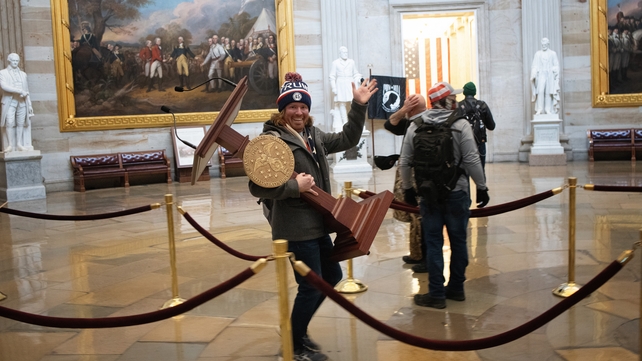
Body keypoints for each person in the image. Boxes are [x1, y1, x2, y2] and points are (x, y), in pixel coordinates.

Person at [248, 72, 377, 361]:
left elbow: (348, 137)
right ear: (282, 110)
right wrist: (295, 186)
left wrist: (358, 106)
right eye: (292, 107)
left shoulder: (313, 135)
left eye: (303, 106)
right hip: (294, 227)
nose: (299, 112)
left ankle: (297, 328)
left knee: (331, 275)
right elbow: (257, 186)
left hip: (318, 222)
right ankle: (295, 345)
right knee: (312, 284)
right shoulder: (271, 140)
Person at [399, 81, 489, 309]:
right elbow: (471, 159)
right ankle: (457, 288)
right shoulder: (460, 125)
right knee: (459, 241)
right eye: (453, 98)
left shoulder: (415, 125)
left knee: (433, 242)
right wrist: (482, 186)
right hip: (457, 192)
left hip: (429, 195)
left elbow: (405, 162)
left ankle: (436, 293)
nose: (456, 101)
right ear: (447, 101)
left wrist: (408, 189)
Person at [385, 94, 426, 270]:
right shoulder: (410, 122)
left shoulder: (424, 122)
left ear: (412, 108)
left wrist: (405, 109)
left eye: (407, 104)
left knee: (420, 217)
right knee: (414, 216)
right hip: (410, 174)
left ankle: (425, 258)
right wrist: (404, 110)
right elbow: (390, 123)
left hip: (420, 176)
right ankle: (417, 254)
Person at [457, 82, 496, 173]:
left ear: (464, 92)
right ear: (474, 92)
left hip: (464, 144)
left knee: (463, 174)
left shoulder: (459, 106)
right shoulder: (482, 105)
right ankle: (481, 187)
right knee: (480, 173)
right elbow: (491, 126)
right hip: (480, 143)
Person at [0, 53, 34, 152]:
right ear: (9, 61)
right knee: (9, 122)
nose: (15, 63)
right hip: (9, 102)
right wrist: (19, 91)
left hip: (22, 102)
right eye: (13, 61)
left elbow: (26, 90)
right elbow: (4, 86)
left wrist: (30, 104)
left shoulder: (23, 74)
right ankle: (10, 145)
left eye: (17, 61)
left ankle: (19, 143)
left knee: (21, 123)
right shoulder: (3, 73)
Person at [329, 46, 362, 131]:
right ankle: (345, 123)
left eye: (346, 52)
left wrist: (359, 78)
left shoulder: (351, 62)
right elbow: (332, 76)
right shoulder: (335, 63)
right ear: (340, 53)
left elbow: (356, 73)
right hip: (340, 84)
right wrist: (334, 88)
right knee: (342, 104)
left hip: (349, 83)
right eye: (343, 53)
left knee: (353, 102)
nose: (345, 54)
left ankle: (353, 121)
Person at [530, 37, 560, 115]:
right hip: (541, 75)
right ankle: (540, 109)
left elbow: (556, 65)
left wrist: (553, 69)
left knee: (548, 92)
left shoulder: (553, 53)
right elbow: (534, 65)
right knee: (540, 91)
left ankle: (548, 109)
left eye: (545, 44)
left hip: (549, 74)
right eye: (543, 44)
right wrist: (533, 73)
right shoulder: (538, 54)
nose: (544, 46)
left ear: (548, 44)